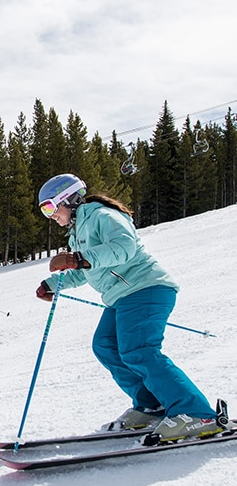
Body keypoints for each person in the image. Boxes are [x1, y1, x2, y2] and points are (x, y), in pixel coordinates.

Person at [35, 173, 226, 443]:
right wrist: (52, 283)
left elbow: (124, 247)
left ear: (70, 199)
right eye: (45, 210)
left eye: (51, 207)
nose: (50, 215)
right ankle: (151, 406)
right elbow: (88, 269)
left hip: (146, 288)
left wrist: (78, 258)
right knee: (106, 345)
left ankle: (196, 413)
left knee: (140, 350)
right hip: (121, 296)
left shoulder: (101, 215)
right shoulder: (78, 232)